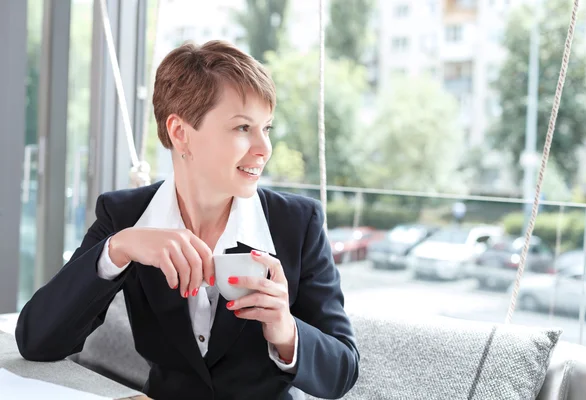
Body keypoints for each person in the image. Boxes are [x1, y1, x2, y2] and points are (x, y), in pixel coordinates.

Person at [15, 40, 359, 400]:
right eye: (243, 128)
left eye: (266, 128)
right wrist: (119, 247)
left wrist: (287, 332)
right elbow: (36, 341)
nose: (263, 148)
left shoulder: (297, 223)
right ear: (180, 132)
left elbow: (343, 370)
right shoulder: (126, 216)